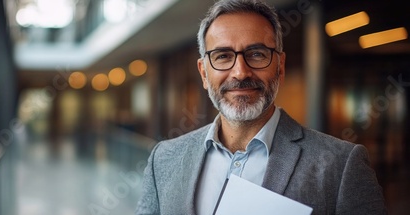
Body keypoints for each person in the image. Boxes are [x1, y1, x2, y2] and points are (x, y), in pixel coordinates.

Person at [136, 0, 386, 214]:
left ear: (280, 65)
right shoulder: (164, 160)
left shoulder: (342, 166)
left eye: (256, 54)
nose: (240, 72)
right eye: (223, 56)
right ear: (203, 72)